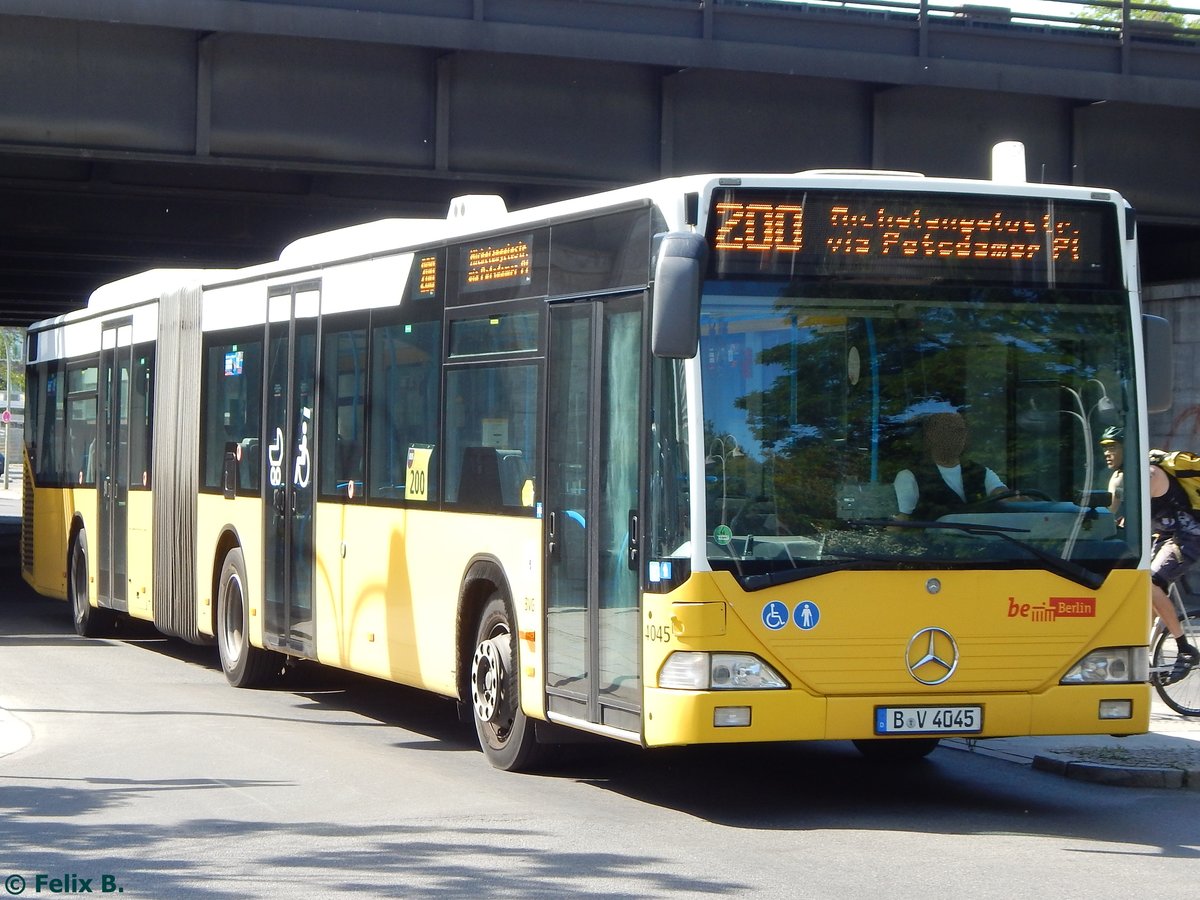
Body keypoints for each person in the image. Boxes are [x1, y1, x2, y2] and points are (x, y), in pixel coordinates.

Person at [893, 411, 1007, 520]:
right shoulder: (908, 477)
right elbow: (902, 523)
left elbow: (1002, 494)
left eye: (960, 431)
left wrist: (1009, 496)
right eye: (947, 431)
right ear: (930, 436)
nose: (957, 437)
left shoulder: (980, 472)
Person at [1149, 458, 1200, 681]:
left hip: (1187, 538)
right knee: (1141, 595)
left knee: (1149, 584)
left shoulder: (1149, 474)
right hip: (1165, 537)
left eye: (1113, 448)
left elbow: (1136, 516)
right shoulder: (1125, 476)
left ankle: (1184, 648)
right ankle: (1146, 656)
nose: (1108, 454)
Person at [1099, 425, 1124, 527]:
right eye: (1105, 448)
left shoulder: (1146, 473)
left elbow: (1109, 514)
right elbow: (1110, 513)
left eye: (1112, 448)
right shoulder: (1117, 476)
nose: (1106, 453)